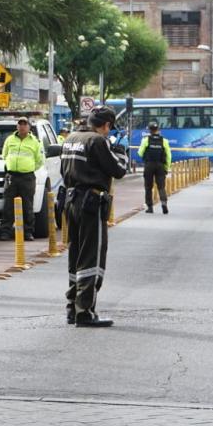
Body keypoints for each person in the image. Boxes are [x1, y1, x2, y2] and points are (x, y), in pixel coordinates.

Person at [61, 106, 128, 327]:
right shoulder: (97, 141)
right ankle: (85, 311)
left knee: (76, 255)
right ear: (106, 125)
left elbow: (64, 171)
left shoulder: (71, 138)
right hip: (90, 202)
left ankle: (72, 307)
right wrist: (120, 152)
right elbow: (118, 170)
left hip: (72, 201)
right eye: (109, 128)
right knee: (92, 258)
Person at [0, 117, 44, 241]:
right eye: (20, 124)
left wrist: (28, 168)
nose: (22, 126)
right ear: (17, 126)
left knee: (27, 206)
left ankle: (28, 232)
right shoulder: (10, 139)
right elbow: (4, 155)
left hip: (27, 177)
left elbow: (39, 160)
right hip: (12, 176)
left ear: (29, 127)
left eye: (25, 124)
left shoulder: (35, 141)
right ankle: (5, 232)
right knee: (8, 205)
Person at [138, 122, 171, 214]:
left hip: (149, 165)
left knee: (148, 187)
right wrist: (166, 167)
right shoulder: (164, 141)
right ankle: (164, 203)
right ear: (158, 129)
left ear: (149, 130)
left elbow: (140, 153)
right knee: (161, 186)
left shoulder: (146, 140)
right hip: (160, 166)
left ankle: (150, 207)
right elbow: (168, 155)